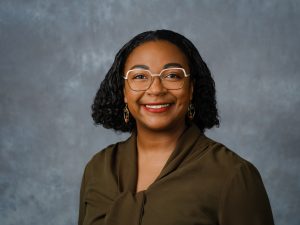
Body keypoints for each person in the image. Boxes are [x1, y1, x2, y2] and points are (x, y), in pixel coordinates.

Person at [78, 30, 274, 225]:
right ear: (123, 92)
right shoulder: (98, 168)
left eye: (172, 75)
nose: (155, 89)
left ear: (191, 89)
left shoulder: (233, 175)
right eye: (139, 76)